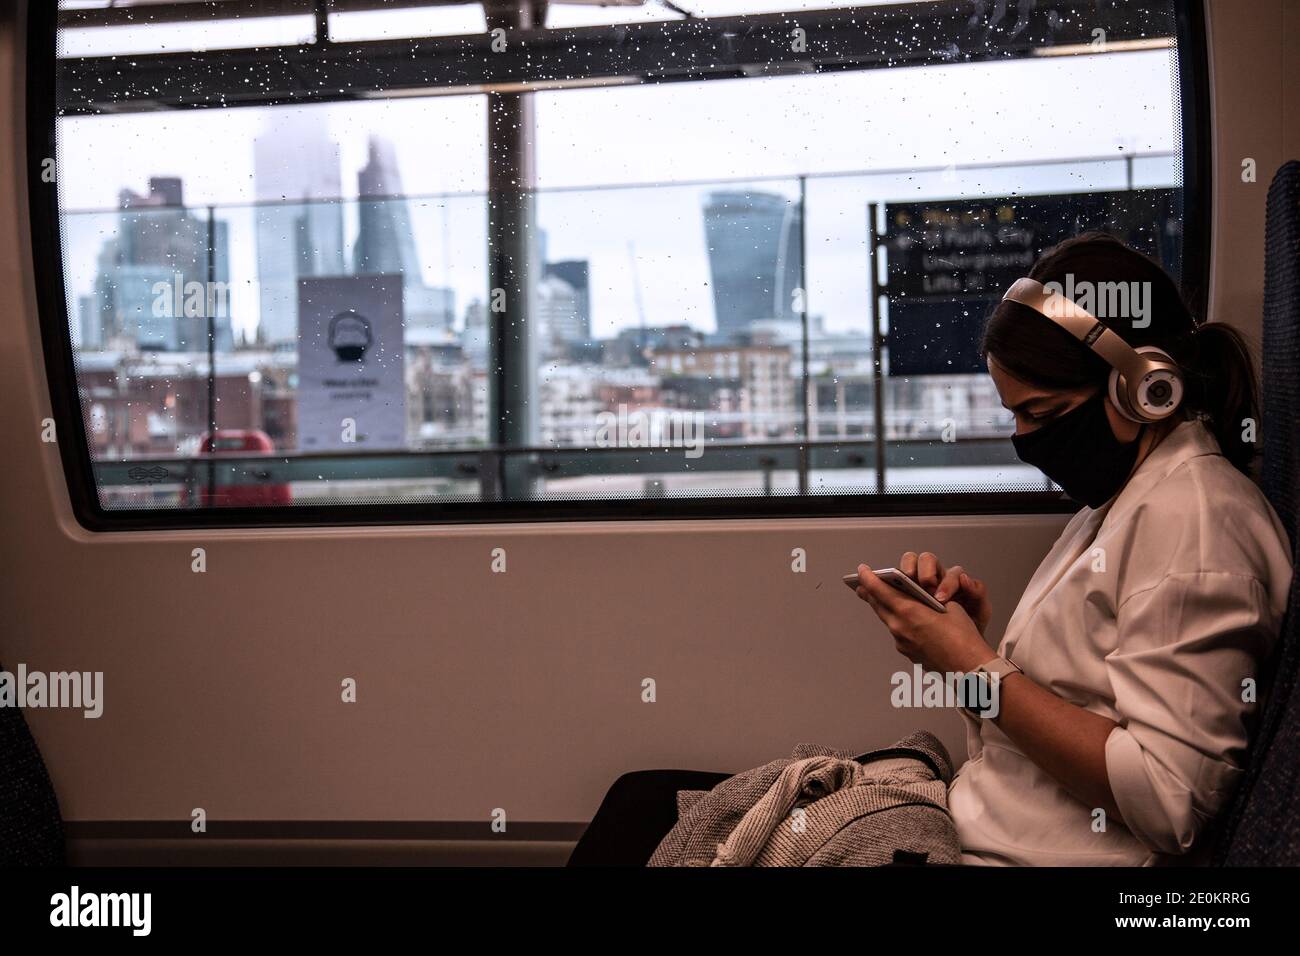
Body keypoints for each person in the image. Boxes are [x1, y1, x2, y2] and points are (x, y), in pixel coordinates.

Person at [568, 233, 1293, 867]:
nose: (1026, 440)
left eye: (1040, 414)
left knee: (654, 825)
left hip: (1018, 857)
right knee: (642, 805)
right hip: (979, 825)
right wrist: (965, 652)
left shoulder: (1195, 524)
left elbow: (1170, 802)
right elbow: (1045, 728)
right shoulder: (1125, 502)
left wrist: (968, 663)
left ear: (1143, 388)